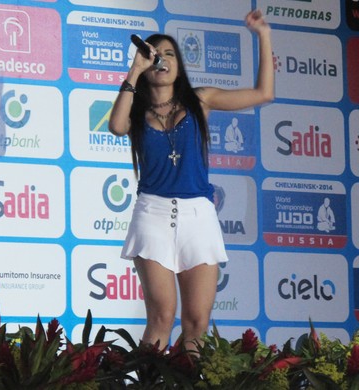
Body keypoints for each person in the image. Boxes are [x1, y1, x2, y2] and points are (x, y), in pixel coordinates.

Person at [108, 9, 273, 353]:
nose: (163, 60)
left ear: (179, 64)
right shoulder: (137, 112)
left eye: (170, 54)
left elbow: (262, 94)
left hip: (198, 215)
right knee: (161, 316)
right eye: (156, 55)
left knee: (197, 319)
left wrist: (263, 35)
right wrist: (135, 69)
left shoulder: (200, 100)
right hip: (152, 214)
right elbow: (116, 126)